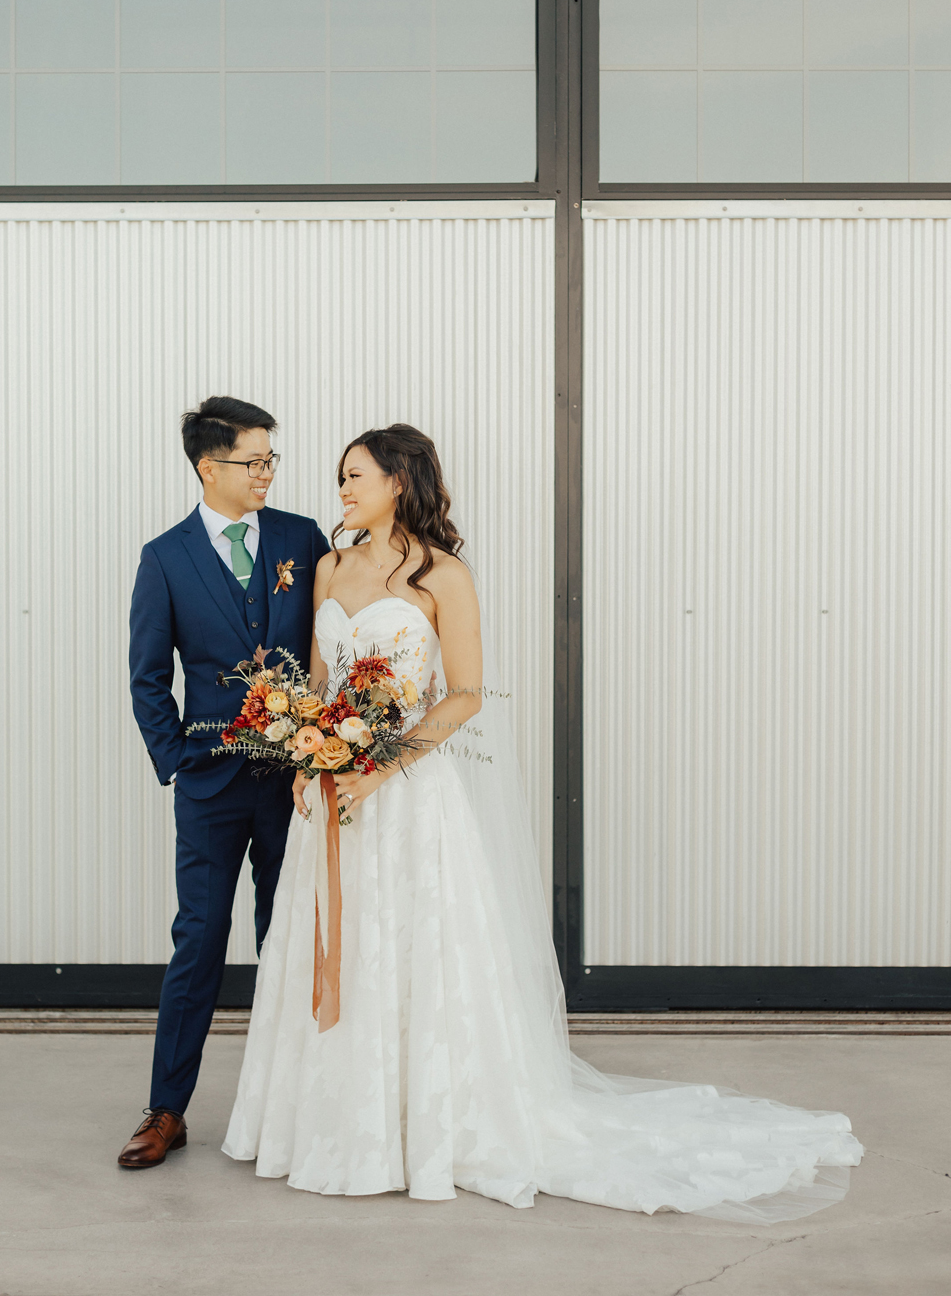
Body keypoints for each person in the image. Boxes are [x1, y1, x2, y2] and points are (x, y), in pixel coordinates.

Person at [224, 423, 864, 1218]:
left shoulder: (443, 574)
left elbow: (463, 694)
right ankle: (336, 1127)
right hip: (332, 796)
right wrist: (309, 757)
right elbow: (322, 683)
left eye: (355, 475)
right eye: (341, 476)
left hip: (408, 797)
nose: (342, 488)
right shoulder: (328, 565)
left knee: (413, 952)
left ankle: (426, 1127)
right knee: (343, 949)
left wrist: (380, 766)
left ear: (398, 481)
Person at [118, 396, 329, 1169]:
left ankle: (299, 1102)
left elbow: (329, 641)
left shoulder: (302, 538)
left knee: (290, 936)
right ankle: (166, 1108)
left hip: (296, 782)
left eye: (272, 458)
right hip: (209, 784)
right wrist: (177, 757)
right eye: (254, 460)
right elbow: (148, 676)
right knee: (200, 939)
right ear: (210, 467)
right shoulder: (164, 557)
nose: (267, 471)